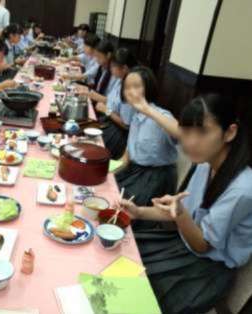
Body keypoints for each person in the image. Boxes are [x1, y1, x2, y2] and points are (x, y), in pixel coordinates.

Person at [120, 93, 252, 314]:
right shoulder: (205, 164)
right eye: (186, 131)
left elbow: (202, 244)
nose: (190, 141)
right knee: (123, 256)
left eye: (202, 132)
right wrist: (139, 212)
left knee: (136, 297)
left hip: (206, 270)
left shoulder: (243, 189)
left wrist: (180, 214)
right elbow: (180, 211)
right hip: (181, 246)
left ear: (230, 132)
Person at [117, 66, 178, 207]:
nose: (130, 92)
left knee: (120, 209)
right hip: (134, 171)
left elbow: (181, 134)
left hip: (156, 178)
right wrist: (106, 171)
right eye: (127, 87)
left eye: (136, 86)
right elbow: (126, 158)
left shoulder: (161, 115)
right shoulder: (135, 116)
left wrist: (147, 110)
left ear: (148, 88)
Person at [95, 48, 138, 159]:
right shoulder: (120, 80)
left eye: (113, 66)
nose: (110, 68)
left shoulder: (130, 88)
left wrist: (106, 110)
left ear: (124, 68)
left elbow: (126, 125)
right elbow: (110, 100)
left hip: (118, 134)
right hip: (108, 123)